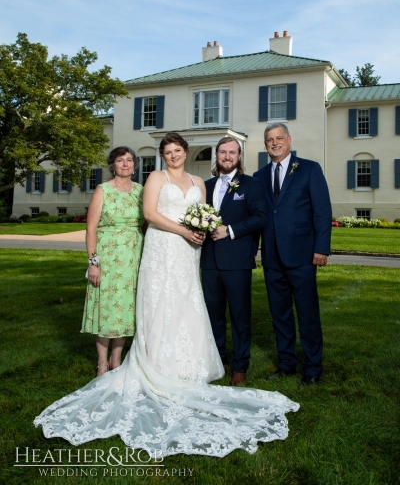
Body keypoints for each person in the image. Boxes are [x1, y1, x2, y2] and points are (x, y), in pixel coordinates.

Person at [34, 133, 299, 457]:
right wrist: (185, 230)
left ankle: (188, 365)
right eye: (168, 151)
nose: (173, 155)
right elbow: (150, 214)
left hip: (189, 254)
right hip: (161, 247)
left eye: (178, 151)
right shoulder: (156, 178)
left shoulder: (199, 183)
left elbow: (203, 213)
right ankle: (154, 364)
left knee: (187, 304)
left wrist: (198, 231)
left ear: (185, 153)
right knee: (159, 303)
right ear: (163, 155)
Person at [253, 123, 332, 386]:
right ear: (265, 145)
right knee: (280, 313)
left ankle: (313, 367)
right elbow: (260, 217)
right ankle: (287, 363)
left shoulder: (309, 169)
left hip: (302, 255)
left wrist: (321, 247)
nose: (274, 143)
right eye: (269, 139)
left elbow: (321, 211)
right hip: (272, 256)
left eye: (278, 138)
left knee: (307, 313)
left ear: (288, 140)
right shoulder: (259, 175)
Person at [201, 137, 268, 386]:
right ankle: (219, 360)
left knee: (240, 316)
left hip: (237, 261)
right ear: (216, 155)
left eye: (232, 152)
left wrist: (229, 230)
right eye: (223, 152)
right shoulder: (204, 186)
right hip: (209, 261)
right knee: (213, 315)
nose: (227, 156)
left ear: (239, 156)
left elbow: (261, 217)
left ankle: (241, 366)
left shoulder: (251, 185)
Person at [81, 146, 145, 376]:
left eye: (129, 160)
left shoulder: (141, 191)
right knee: (106, 308)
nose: (126, 164)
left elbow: (147, 223)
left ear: (135, 165)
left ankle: (116, 360)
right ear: (113, 165)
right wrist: (93, 262)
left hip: (133, 258)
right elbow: (90, 229)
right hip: (107, 257)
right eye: (120, 160)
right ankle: (102, 362)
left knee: (127, 308)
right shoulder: (103, 190)